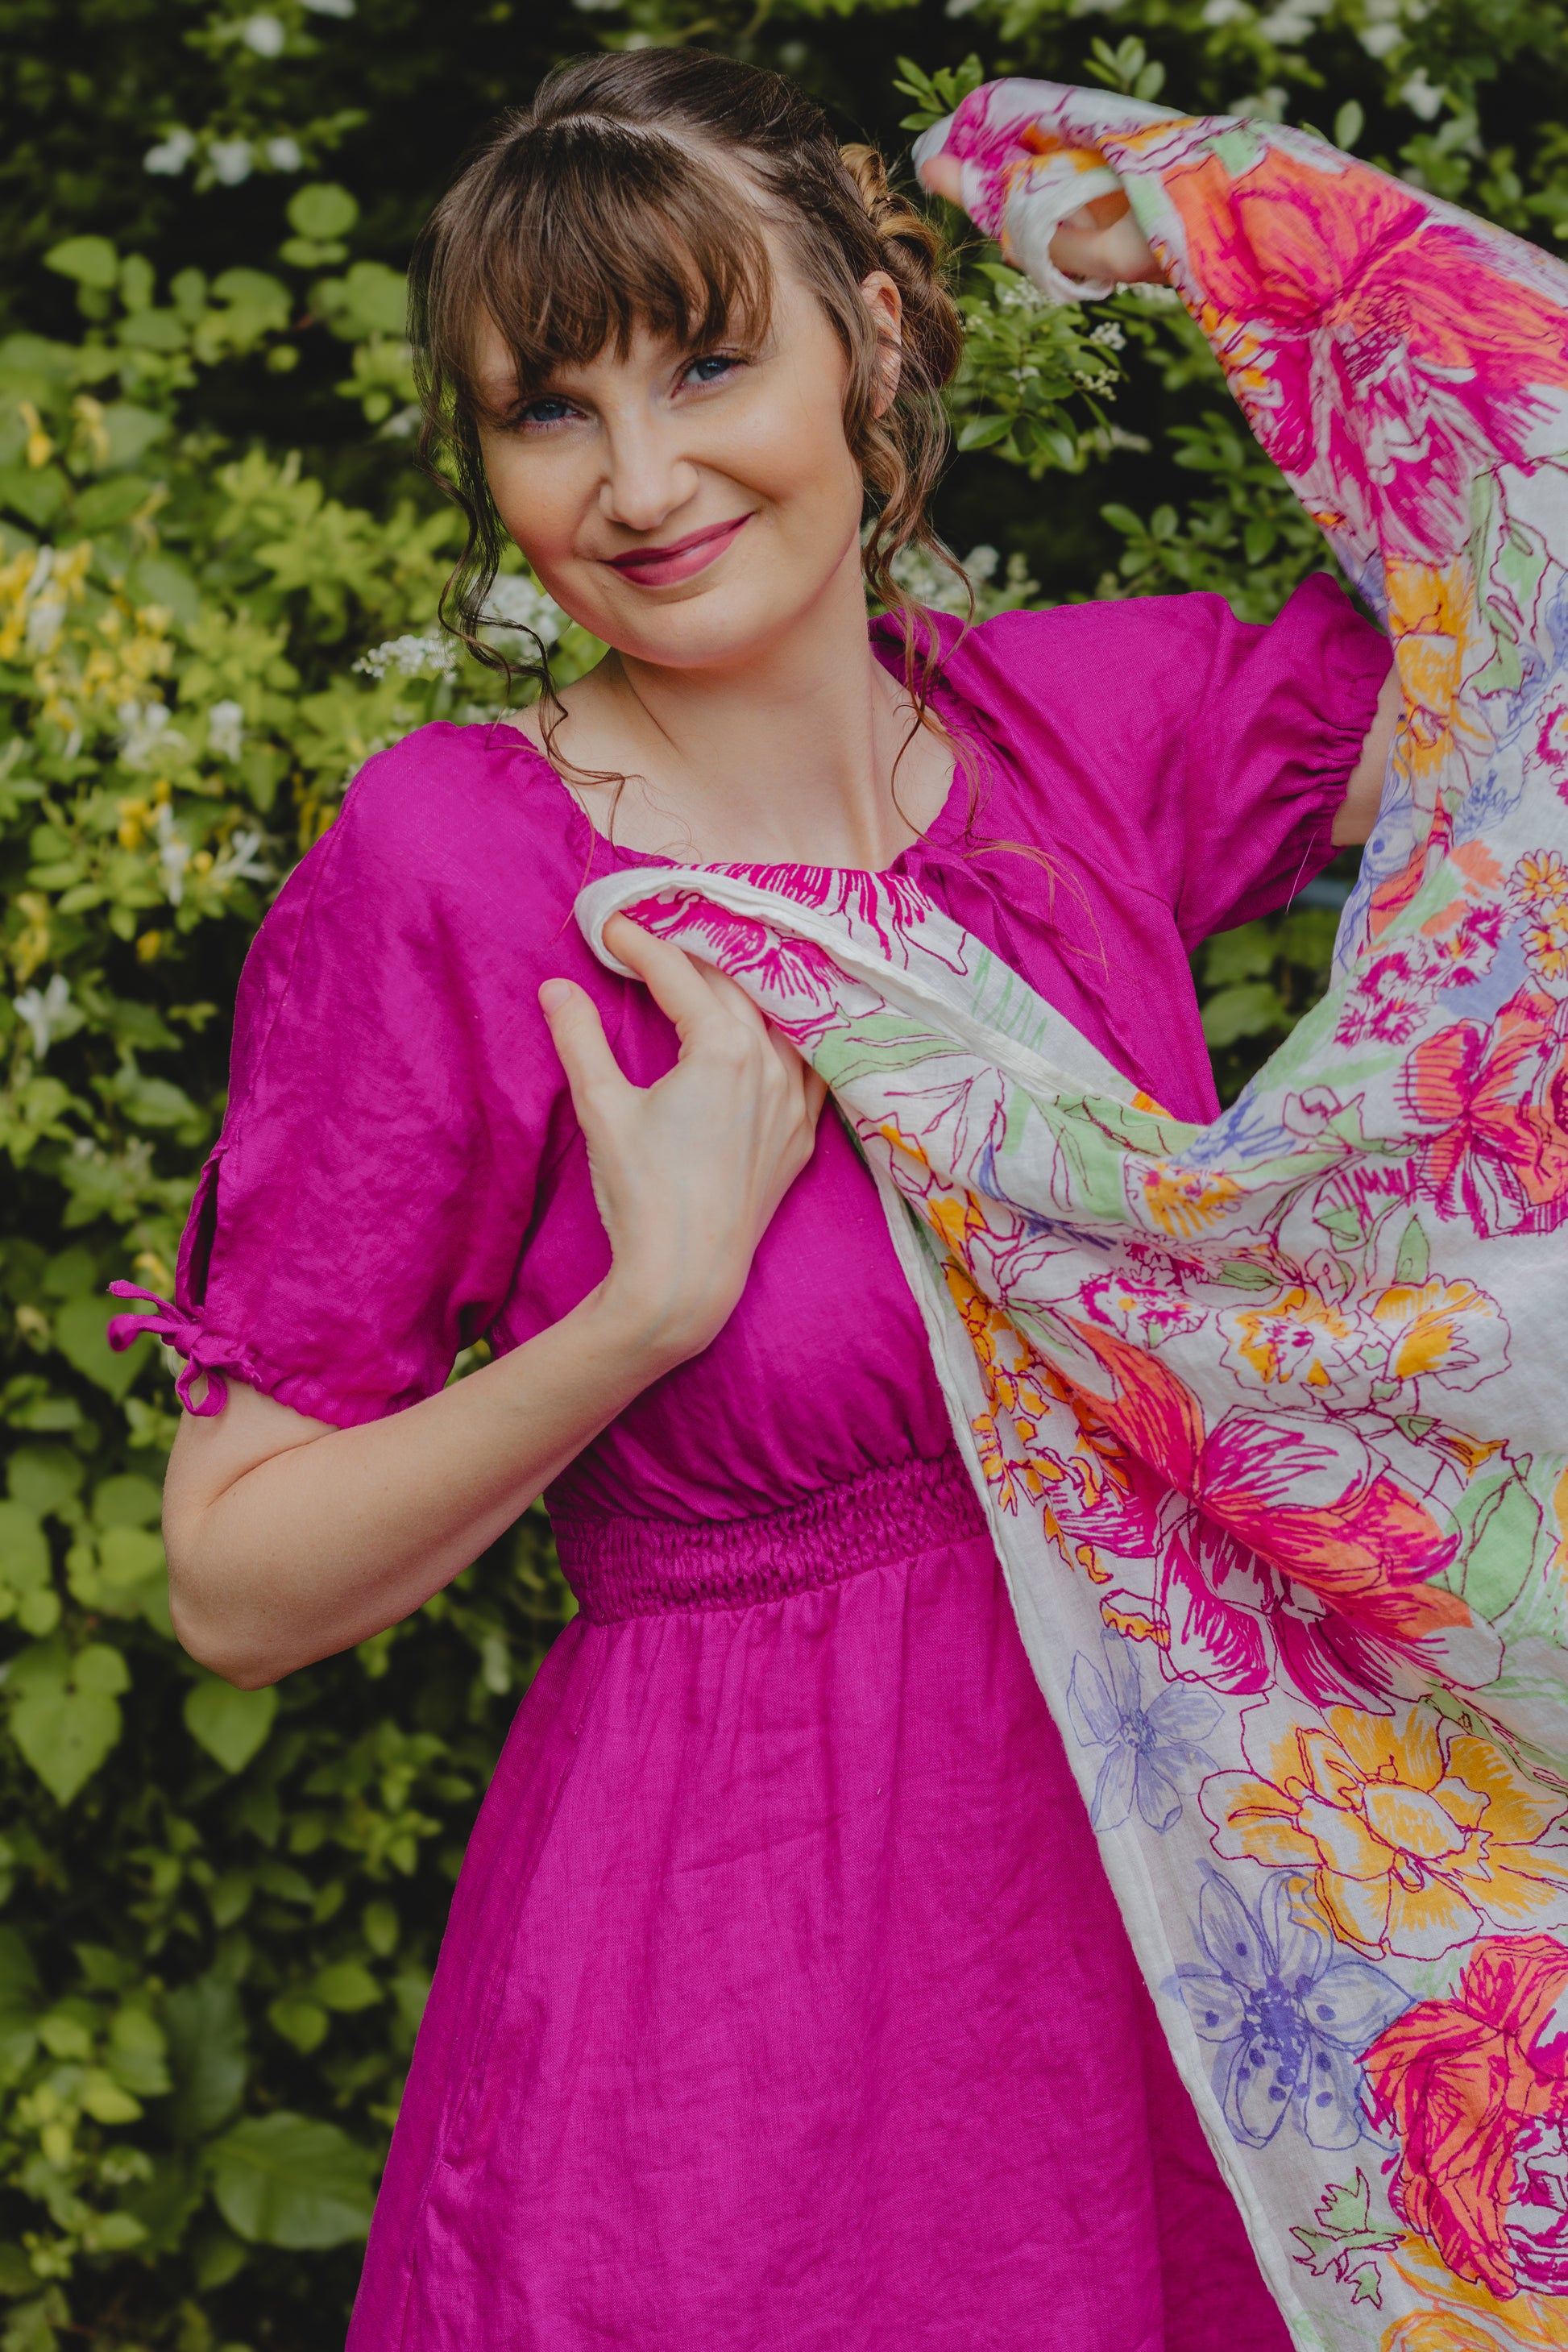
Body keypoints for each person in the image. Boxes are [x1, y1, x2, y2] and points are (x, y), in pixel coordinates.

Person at [150, 46, 1400, 2351]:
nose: (638, 480)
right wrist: (643, 1310)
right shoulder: (461, 867)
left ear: (877, 342)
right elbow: (232, 1584)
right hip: (720, 2016)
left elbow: (1526, 580)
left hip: (1169, 1955)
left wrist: (1239, 239)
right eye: (549, 410)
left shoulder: (1087, 742)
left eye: (711, 360)